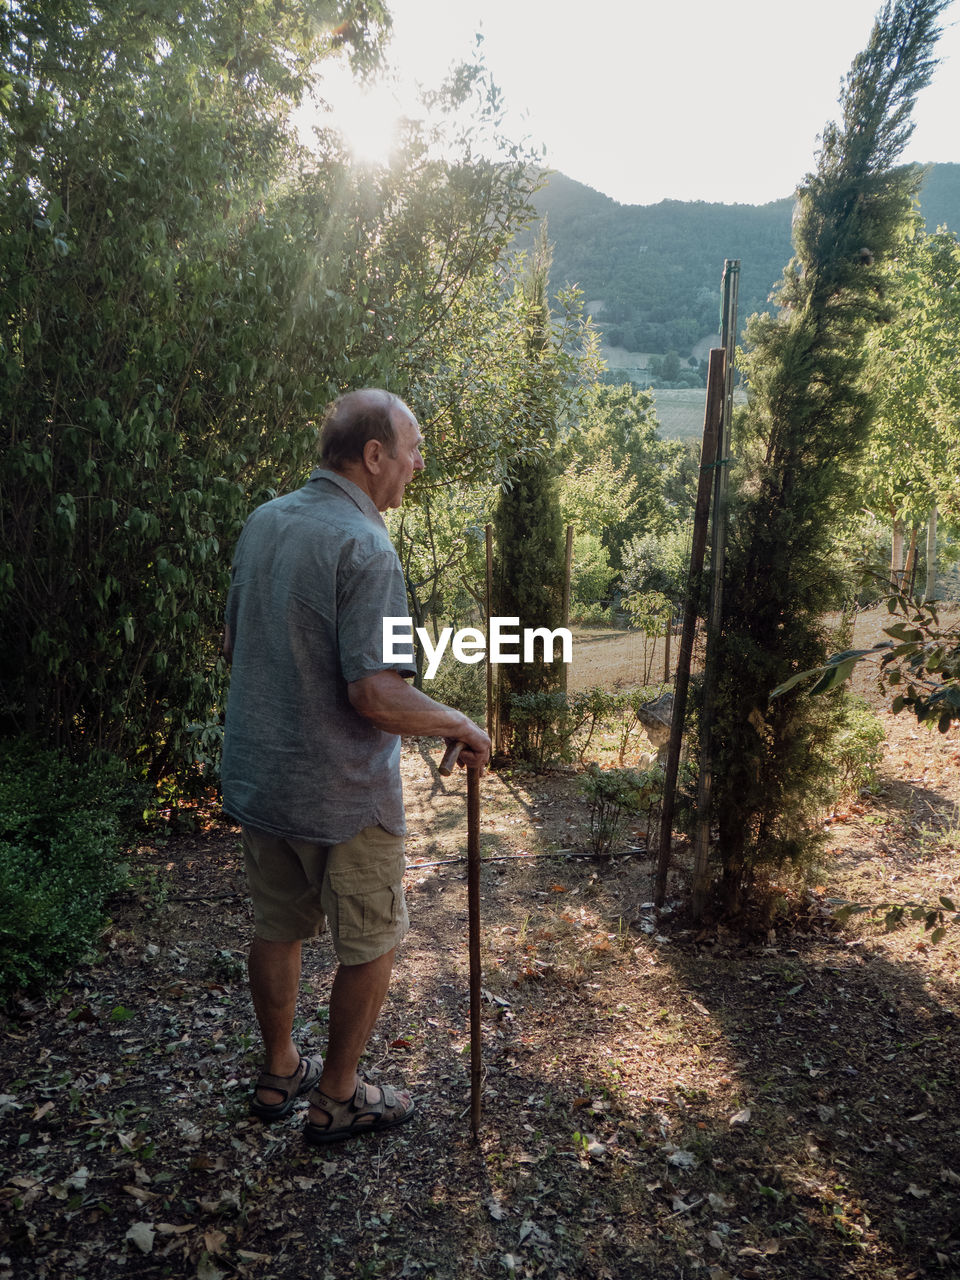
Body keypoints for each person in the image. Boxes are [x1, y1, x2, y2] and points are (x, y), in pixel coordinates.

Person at [220, 388, 490, 1146]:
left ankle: (280, 1072)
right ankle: (337, 1096)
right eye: (411, 447)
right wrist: (459, 723)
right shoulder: (365, 546)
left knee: (277, 926)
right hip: (344, 796)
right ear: (373, 456)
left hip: (262, 778)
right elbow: (375, 691)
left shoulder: (263, 521)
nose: (418, 462)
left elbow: (236, 648)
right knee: (374, 940)